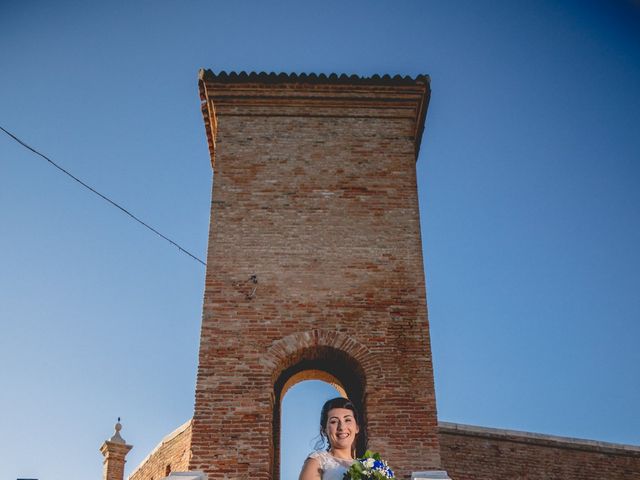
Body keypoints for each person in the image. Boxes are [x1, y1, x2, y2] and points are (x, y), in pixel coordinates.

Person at [298, 397, 360, 480]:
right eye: (334, 421)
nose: (342, 427)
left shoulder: (366, 467)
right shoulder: (318, 461)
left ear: (357, 428)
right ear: (324, 430)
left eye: (347, 420)